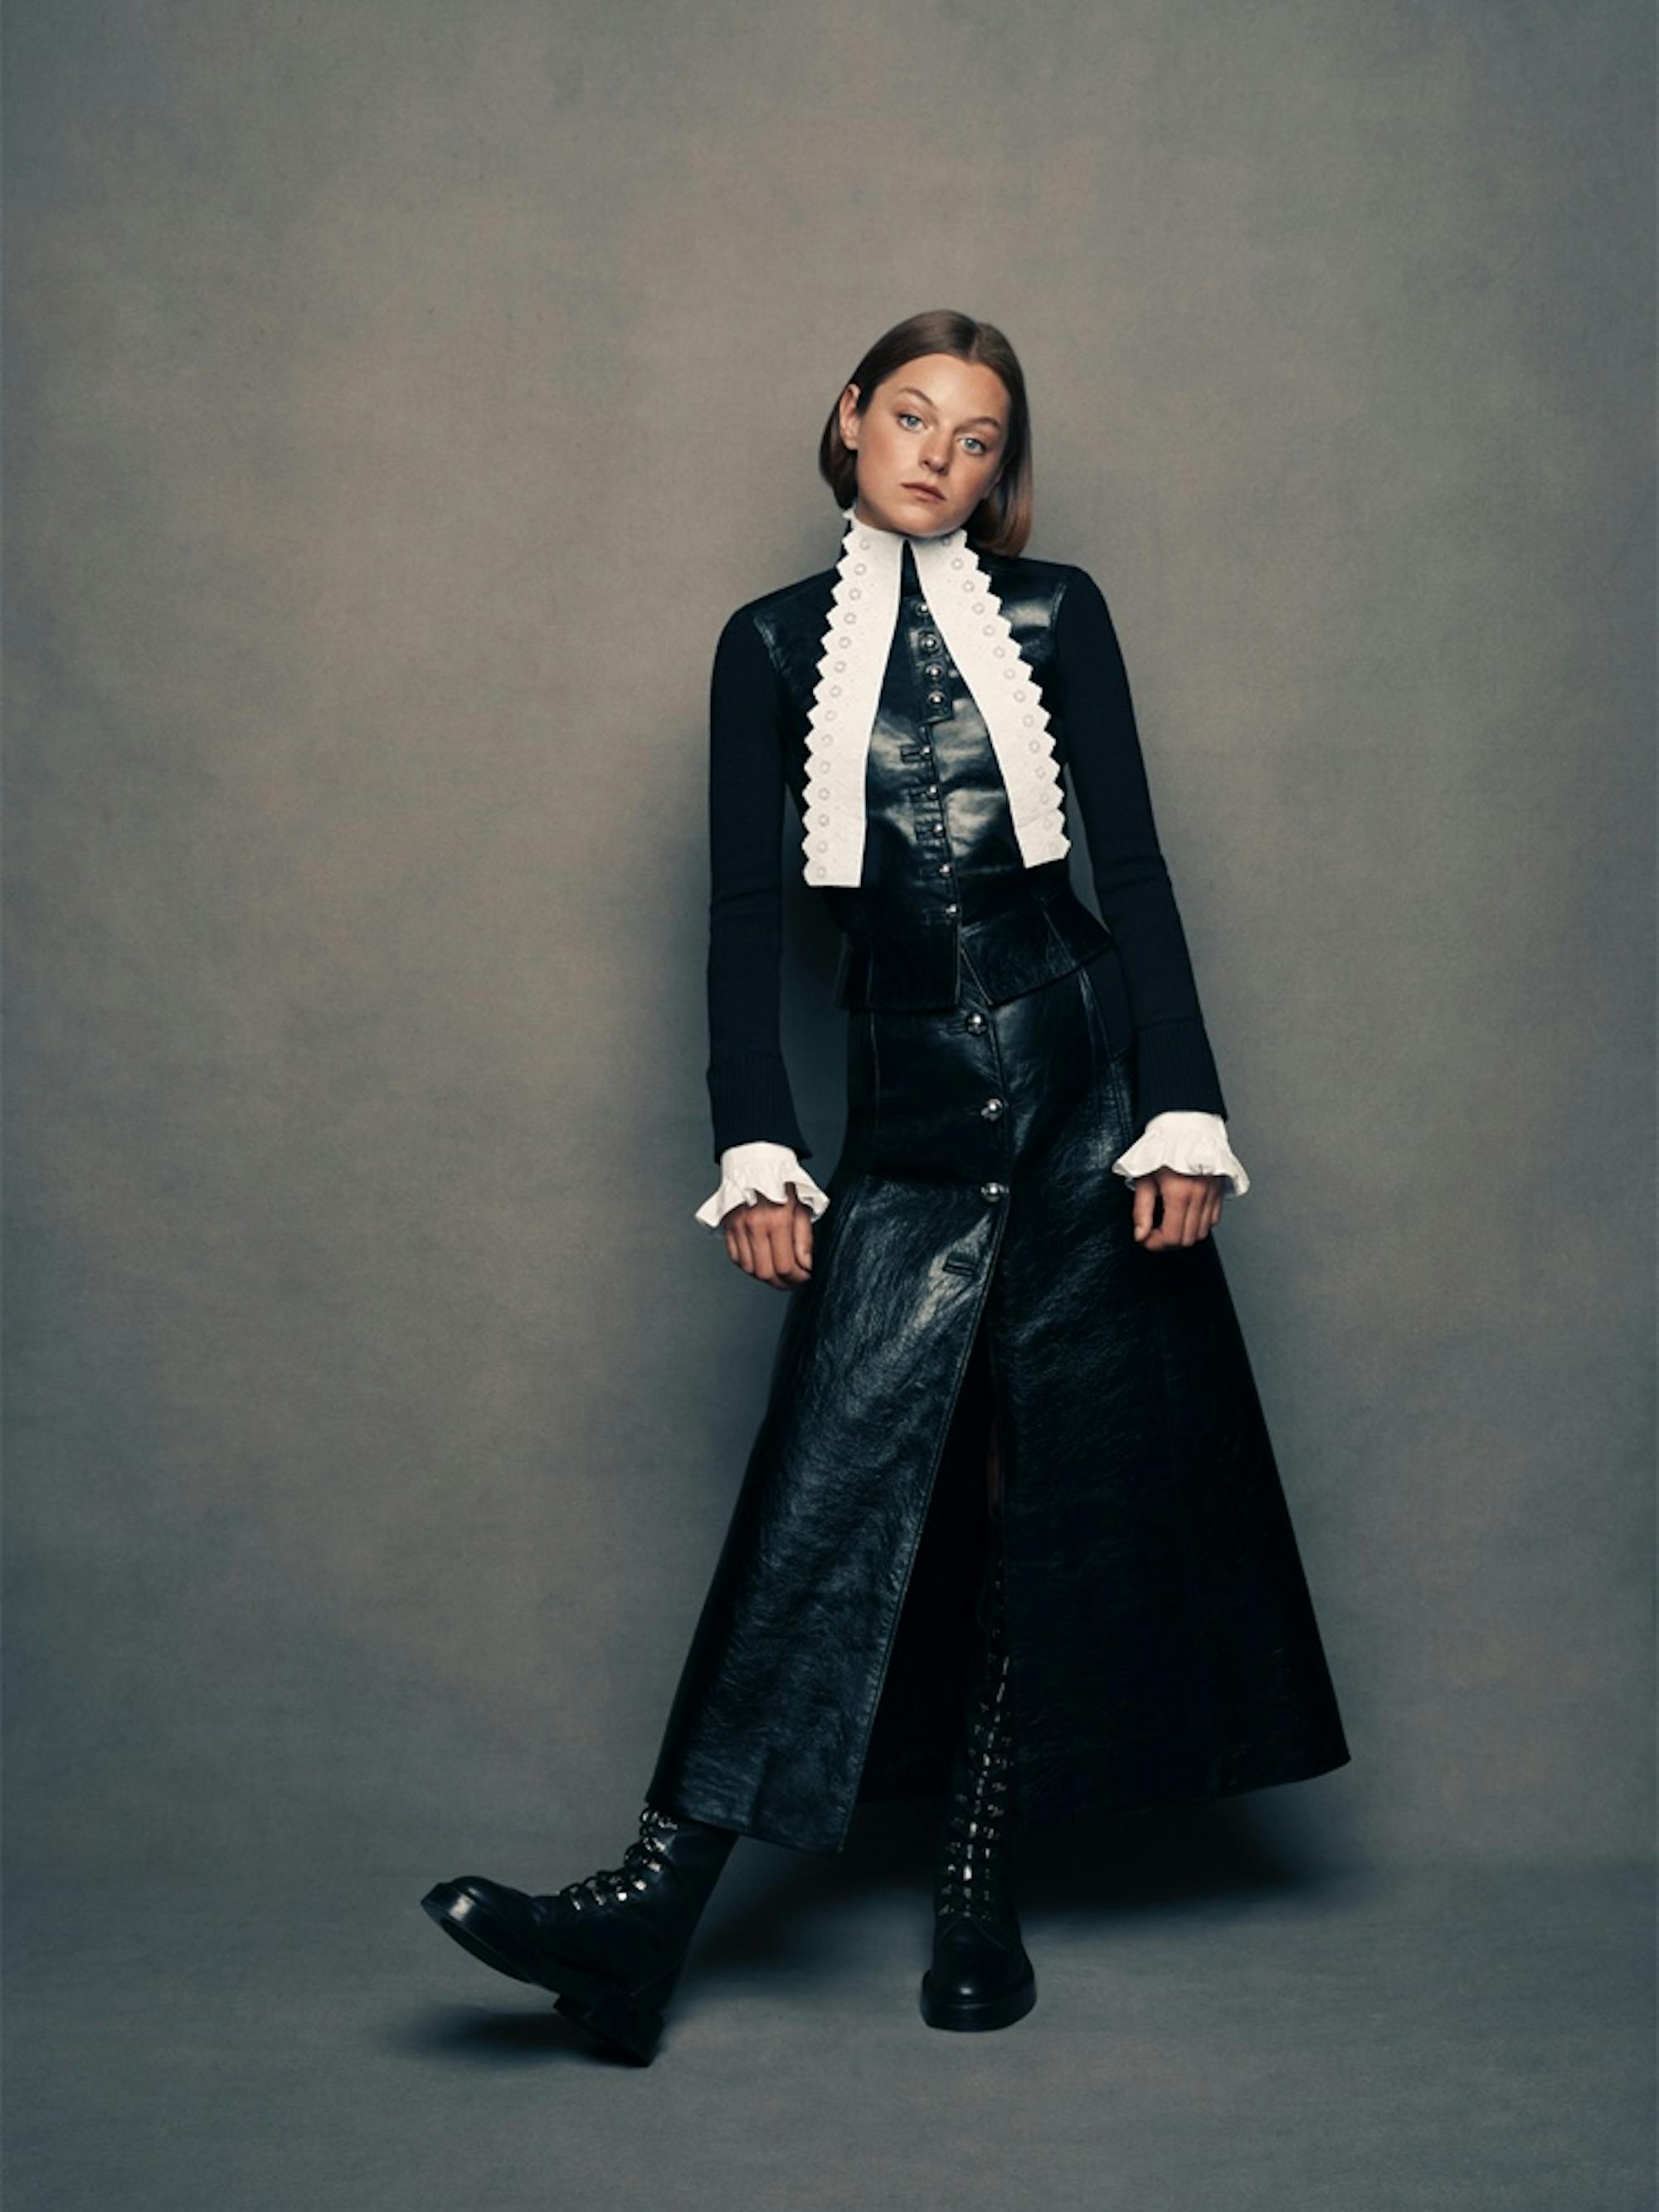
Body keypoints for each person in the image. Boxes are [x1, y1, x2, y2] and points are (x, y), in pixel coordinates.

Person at [422, 309, 1350, 2064]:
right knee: (826, 1483)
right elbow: (745, 922)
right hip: (912, 1116)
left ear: (1004, 470)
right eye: (911, 415)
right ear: (847, 421)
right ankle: (649, 1906)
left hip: (1081, 1101)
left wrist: (1185, 1115)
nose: (940, 452)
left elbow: (1133, 875)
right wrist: (754, 1146)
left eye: (980, 435)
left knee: (1032, 1496)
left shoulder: (1060, 614)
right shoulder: (769, 647)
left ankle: (974, 1881)